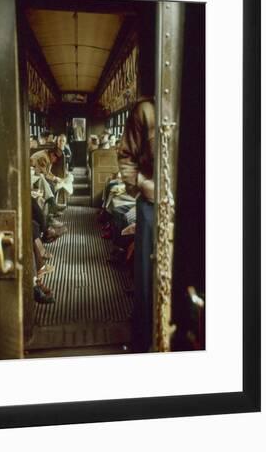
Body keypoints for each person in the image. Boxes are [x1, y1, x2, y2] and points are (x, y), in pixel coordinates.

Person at [117, 97, 155, 353]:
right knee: (146, 276)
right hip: (151, 203)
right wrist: (140, 183)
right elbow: (126, 155)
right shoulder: (145, 110)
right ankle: (143, 342)